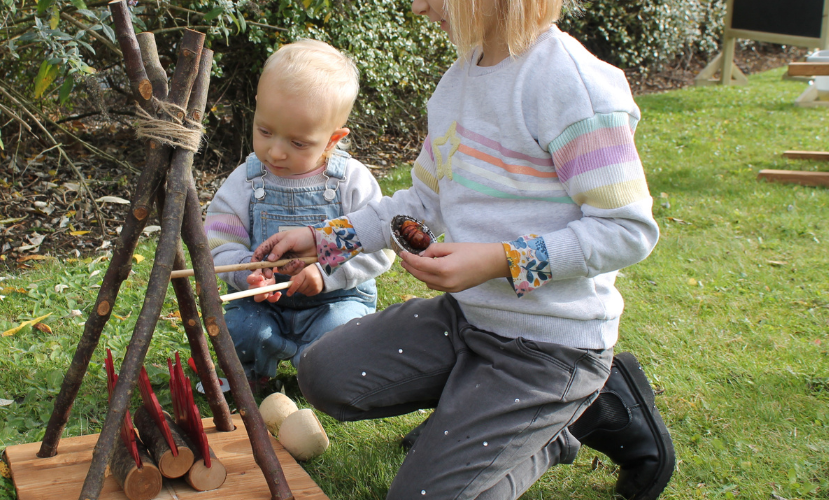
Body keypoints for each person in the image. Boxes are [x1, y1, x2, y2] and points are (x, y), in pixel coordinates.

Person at [246, 0, 675, 498]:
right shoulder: (457, 83)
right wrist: (322, 240)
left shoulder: (570, 84)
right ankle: (501, 411)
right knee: (324, 373)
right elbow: (420, 204)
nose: (418, 7)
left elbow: (625, 229)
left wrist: (499, 261)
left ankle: (561, 424)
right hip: (468, 322)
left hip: (550, 350)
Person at [203, 39, 394, 388]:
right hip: (264, 305)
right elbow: (218, 238)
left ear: (333, 139)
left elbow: (379, 247)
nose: (275, 152)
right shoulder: (246, 181)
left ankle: (318, 371)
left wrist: (326, 273)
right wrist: (247, 273)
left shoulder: (350, 182)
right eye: (265, 131)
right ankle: (252, 372)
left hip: (336, 300)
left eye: (298, 143)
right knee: (239, 329)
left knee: (341, 333)